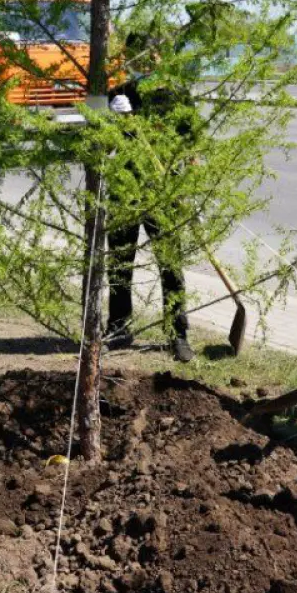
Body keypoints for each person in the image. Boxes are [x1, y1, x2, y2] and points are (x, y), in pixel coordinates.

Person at [105, 32, 199, 363]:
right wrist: (111, 119)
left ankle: (178, 334)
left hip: (163, 190)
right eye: (134, 57)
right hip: (125, 187)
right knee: (118, 261)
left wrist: (186, 190)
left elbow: (191, 149)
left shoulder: (176, 94)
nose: (141, 63)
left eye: (148, 56)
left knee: (170, 264)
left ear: (159, 58)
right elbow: (104, 146)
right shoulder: (118, 93)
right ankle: (118, 327)